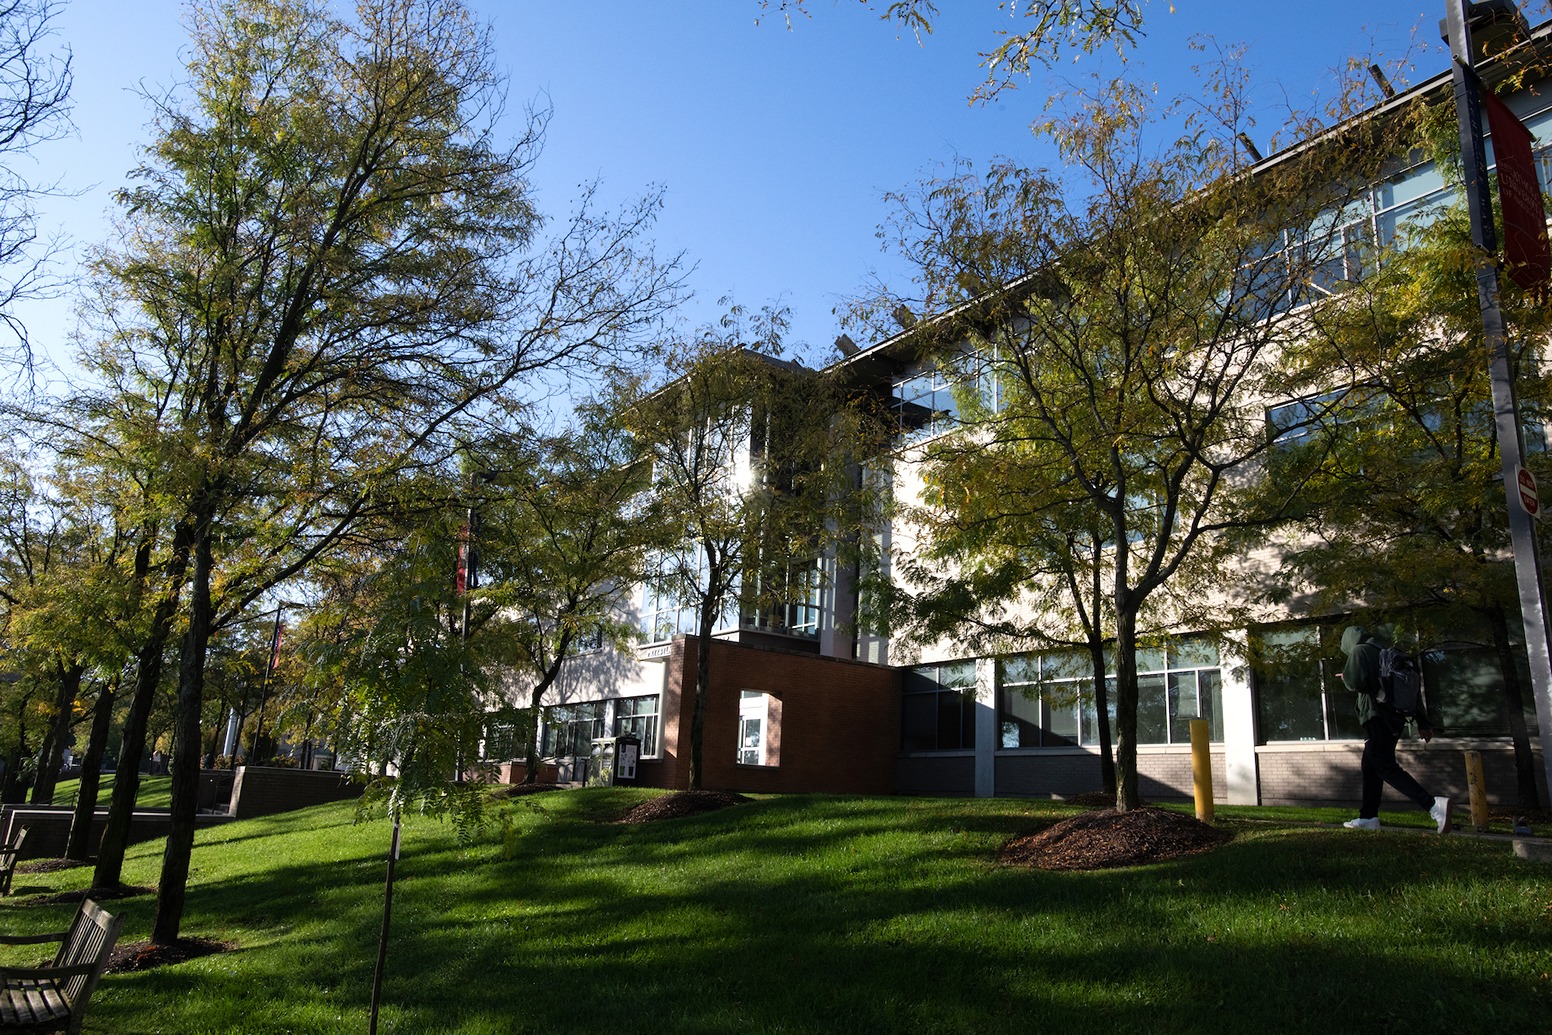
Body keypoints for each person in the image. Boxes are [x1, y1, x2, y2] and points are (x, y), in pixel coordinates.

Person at [1338, 625, 1451, 833]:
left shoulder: (1359, 651)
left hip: (1376, 717)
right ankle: (1368, 817)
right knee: (1370, 766)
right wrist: (1423, 722)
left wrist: (1346, 677)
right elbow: (1413, 692)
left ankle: (1433, 805)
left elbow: (1354, 683)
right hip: (1395, 718)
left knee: (1384, 767)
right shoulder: (1387, 652)